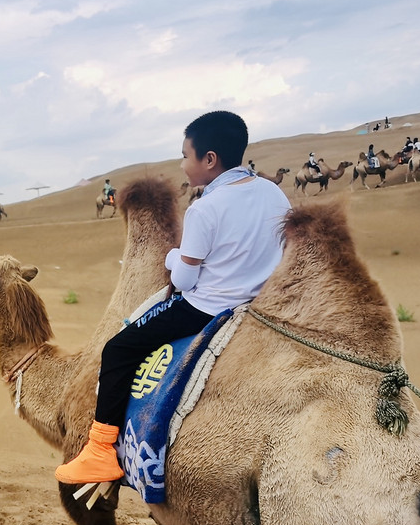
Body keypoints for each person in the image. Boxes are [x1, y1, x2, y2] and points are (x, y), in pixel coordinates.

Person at [55, 111, 291, 484]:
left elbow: (183, 278)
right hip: (264, 304)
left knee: (118, 349)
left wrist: (171, 257)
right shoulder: (274, 192)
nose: (182, 165)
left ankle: (100, 451)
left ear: (209, 159)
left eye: (186, 156)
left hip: (209, 308)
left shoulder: (205, 208)